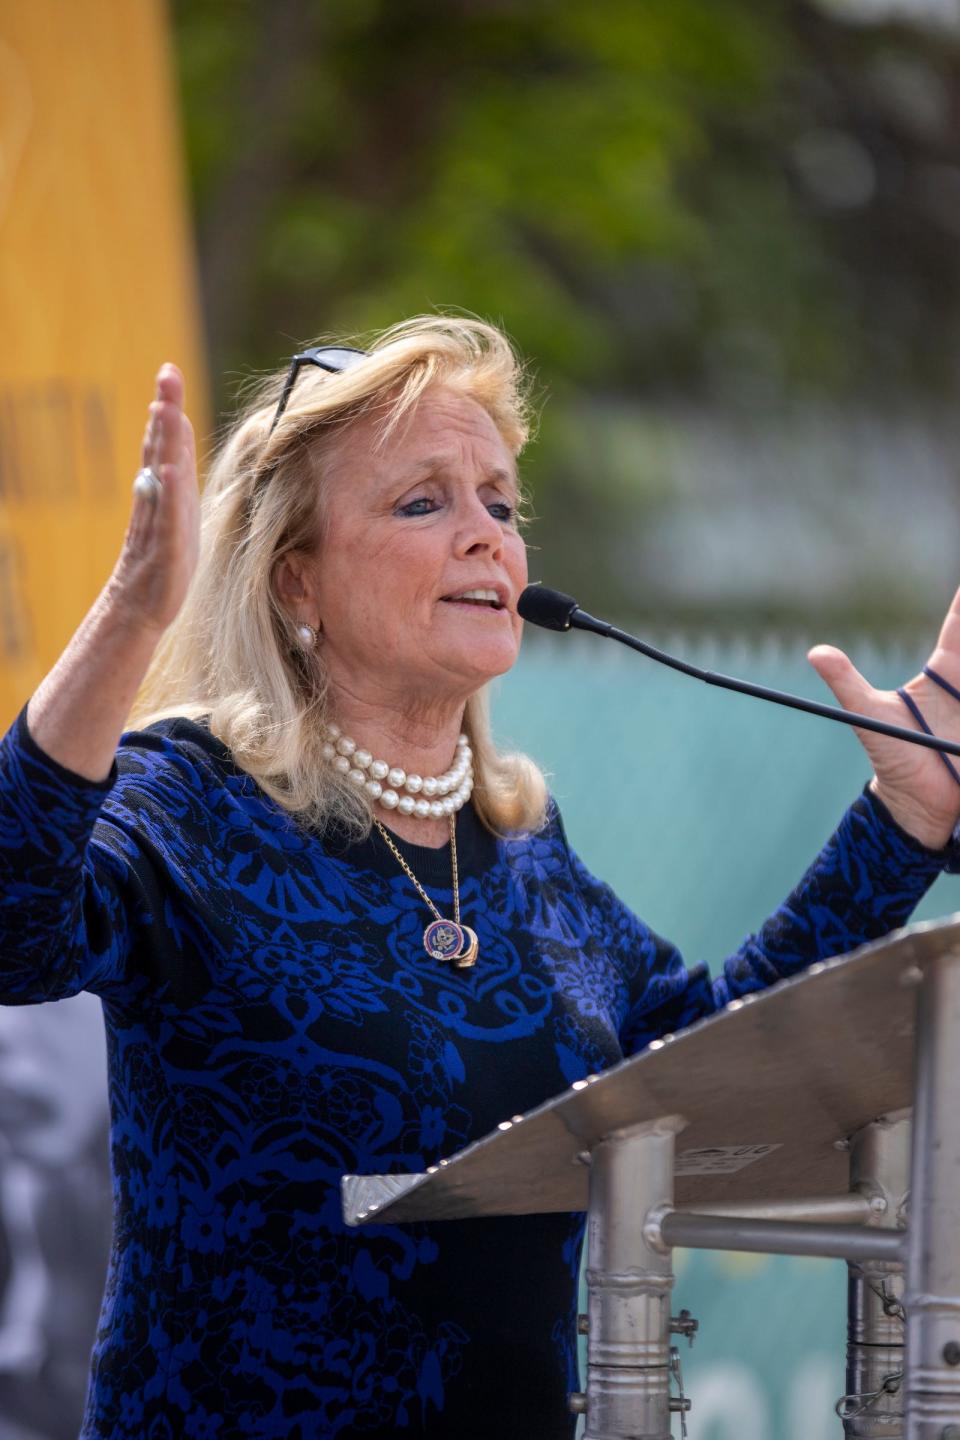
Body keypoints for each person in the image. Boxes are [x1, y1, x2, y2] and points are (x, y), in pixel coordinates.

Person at [0, 315, 958, 1440]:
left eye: (500, 503)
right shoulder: (191, 797)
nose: (487, 538)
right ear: (294, 580)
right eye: (424, 502)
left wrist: (904, 820)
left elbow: (702, 1063)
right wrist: (126, 619)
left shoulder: (521, 846)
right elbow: (17, 934)